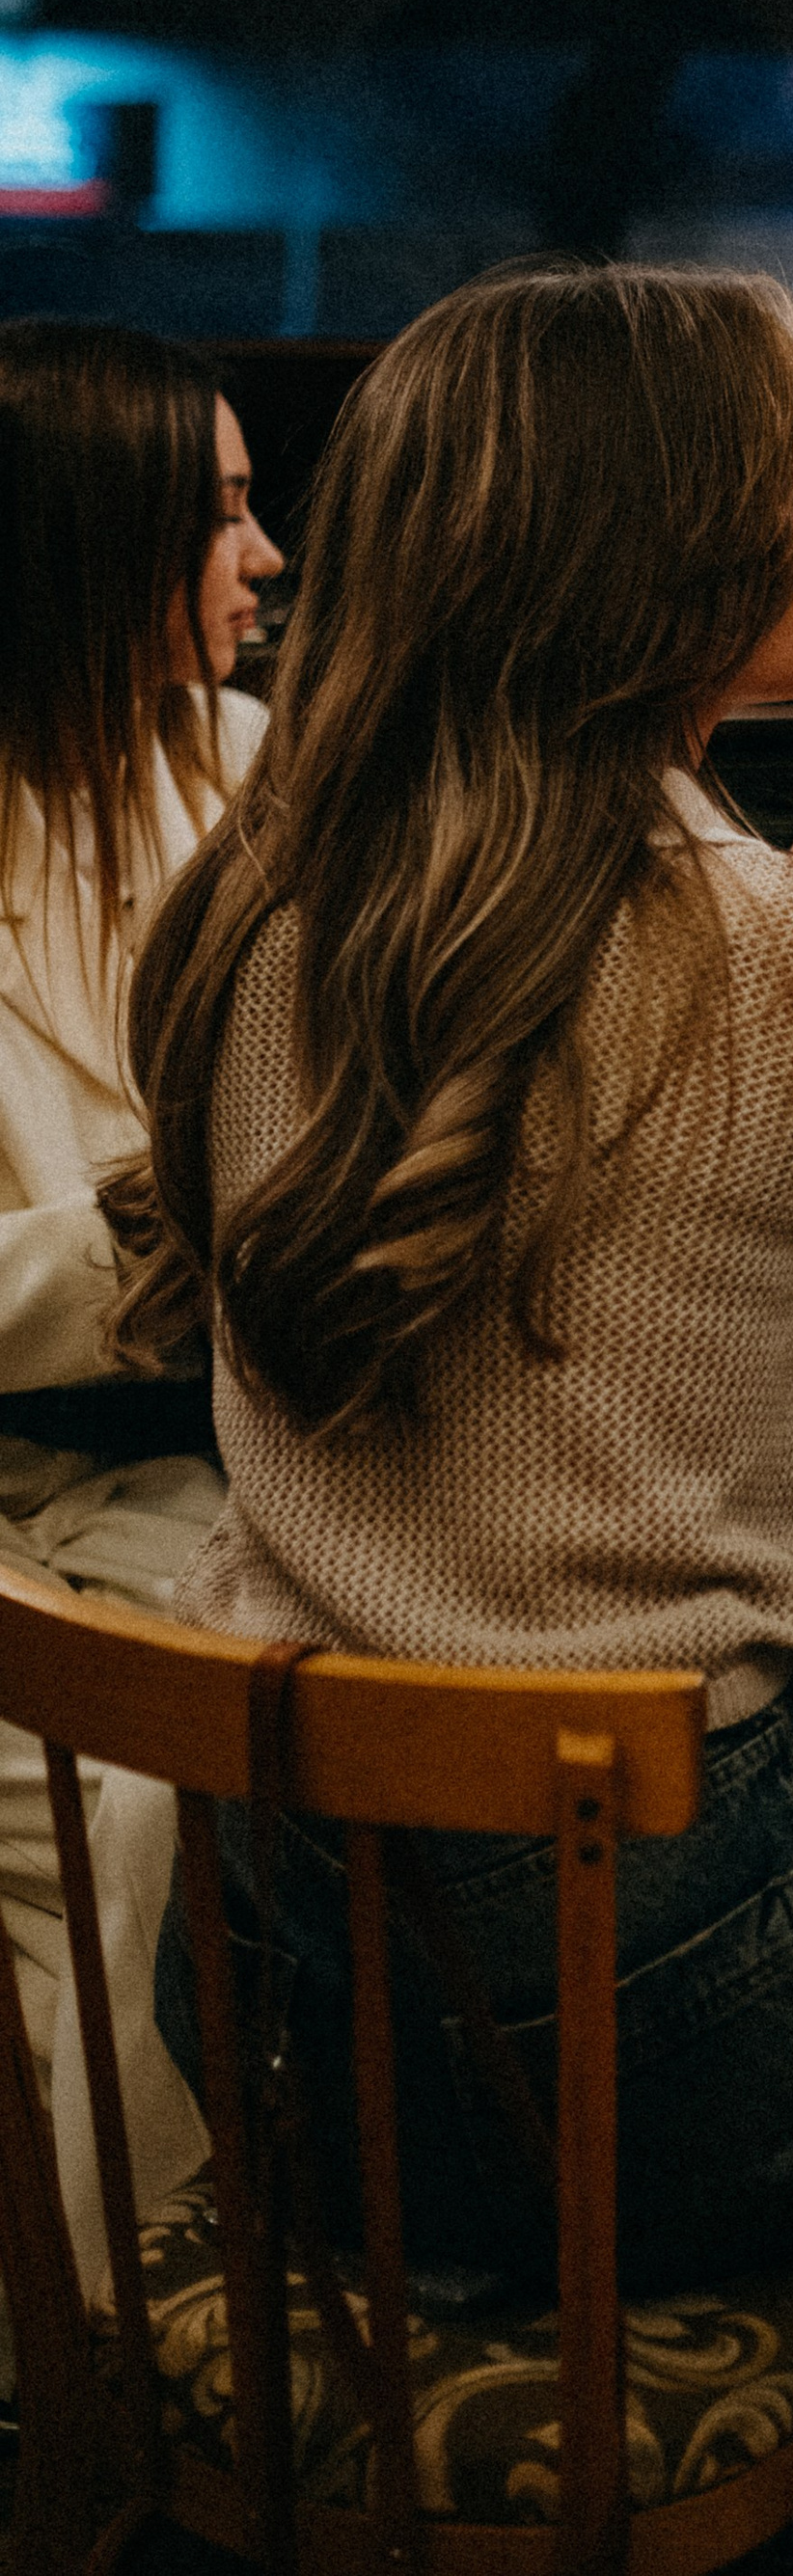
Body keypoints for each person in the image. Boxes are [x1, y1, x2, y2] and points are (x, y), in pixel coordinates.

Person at [121, 261, 793, 2295]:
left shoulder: (249, 910)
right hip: (666, 2039)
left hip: (287, 1995)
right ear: (648, 554)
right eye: (785, 482)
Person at [0, 318, 282, 2126]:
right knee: (137, 1784)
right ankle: (129, 2350)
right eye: (225, 514)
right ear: (91, 545)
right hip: (22, 1499)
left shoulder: (258, 772)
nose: (268, 557)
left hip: (214, 1461)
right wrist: (164, 1221)